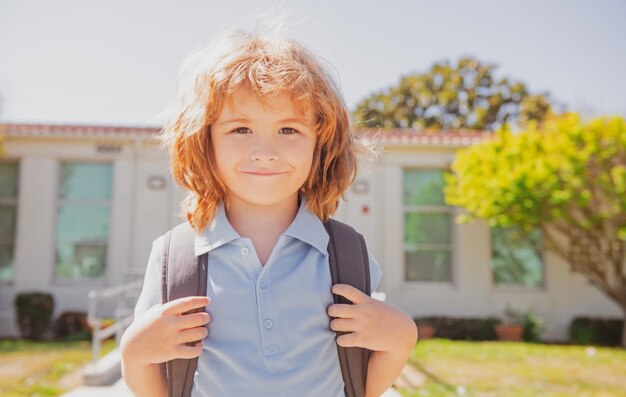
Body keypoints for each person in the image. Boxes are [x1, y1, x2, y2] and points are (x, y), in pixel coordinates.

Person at [120, 20, 417, 397]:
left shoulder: (345, 254)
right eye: (240, 130)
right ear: (203, 141)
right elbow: (153, 383)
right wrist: (132, 354)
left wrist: (403, 339)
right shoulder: (174, 258)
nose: (264, 152)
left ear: (320, 144)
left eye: (288, 130)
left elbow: (361, 387)